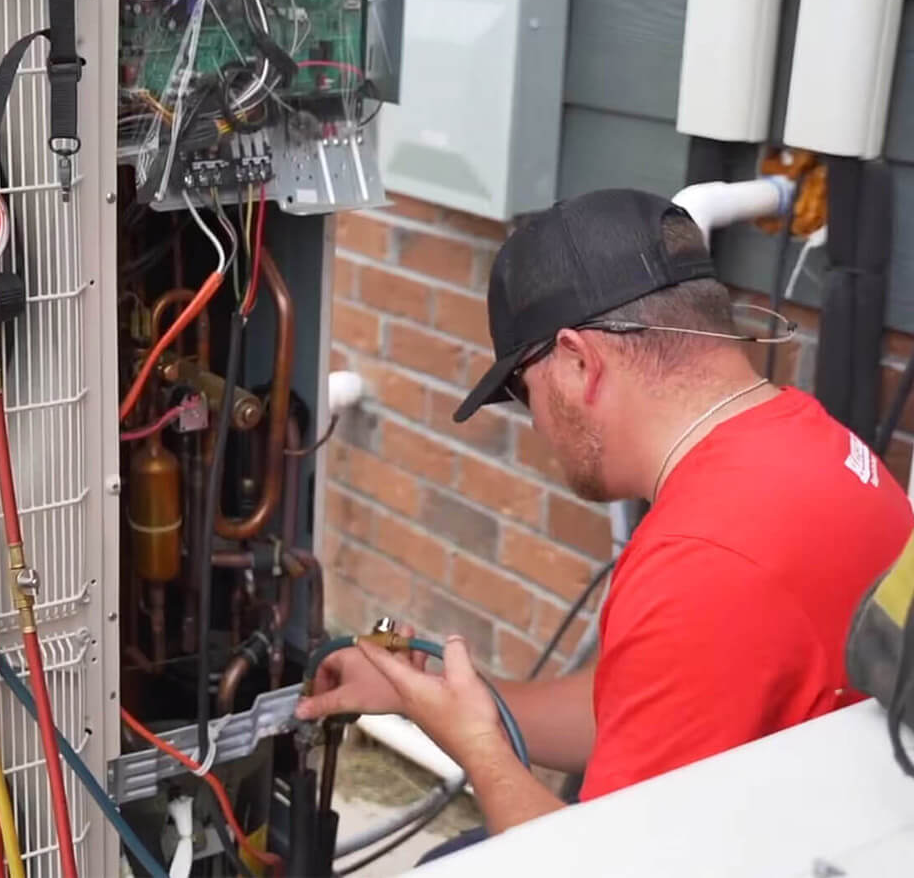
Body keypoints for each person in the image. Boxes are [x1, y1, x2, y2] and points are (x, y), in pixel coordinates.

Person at [296, 188, 914, 838]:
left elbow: (599, 865)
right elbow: (637, 705)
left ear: (578, 362)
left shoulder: (704, 558)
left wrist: (480, 749)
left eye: (521, 391)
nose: (535, 423)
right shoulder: (810, 439)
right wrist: (433, 701)